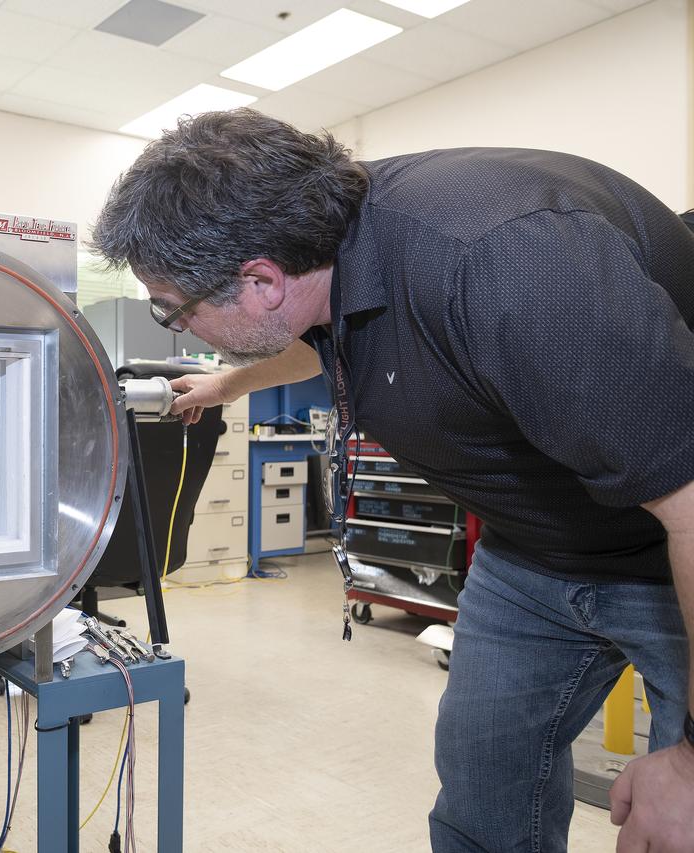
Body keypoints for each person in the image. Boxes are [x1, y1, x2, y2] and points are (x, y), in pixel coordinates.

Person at [89, 108, 694, 853]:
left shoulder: (507, 261)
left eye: (173, 308)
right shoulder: (326, 241)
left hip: (667, 554)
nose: (176, 328)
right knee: (483, 795)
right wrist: (227, 385)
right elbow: (319, 335)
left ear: (259, 280)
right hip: (533, 551)